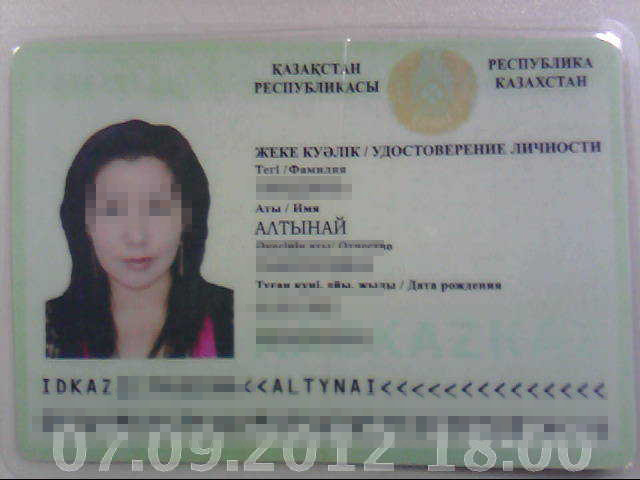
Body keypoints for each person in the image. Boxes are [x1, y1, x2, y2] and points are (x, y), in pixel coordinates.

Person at [45, 120, 233, 358]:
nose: (136, 237)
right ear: (84, 222)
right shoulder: (46, 327)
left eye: (156, 208)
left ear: (187, 218)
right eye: (113, 210)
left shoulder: (234, 318)